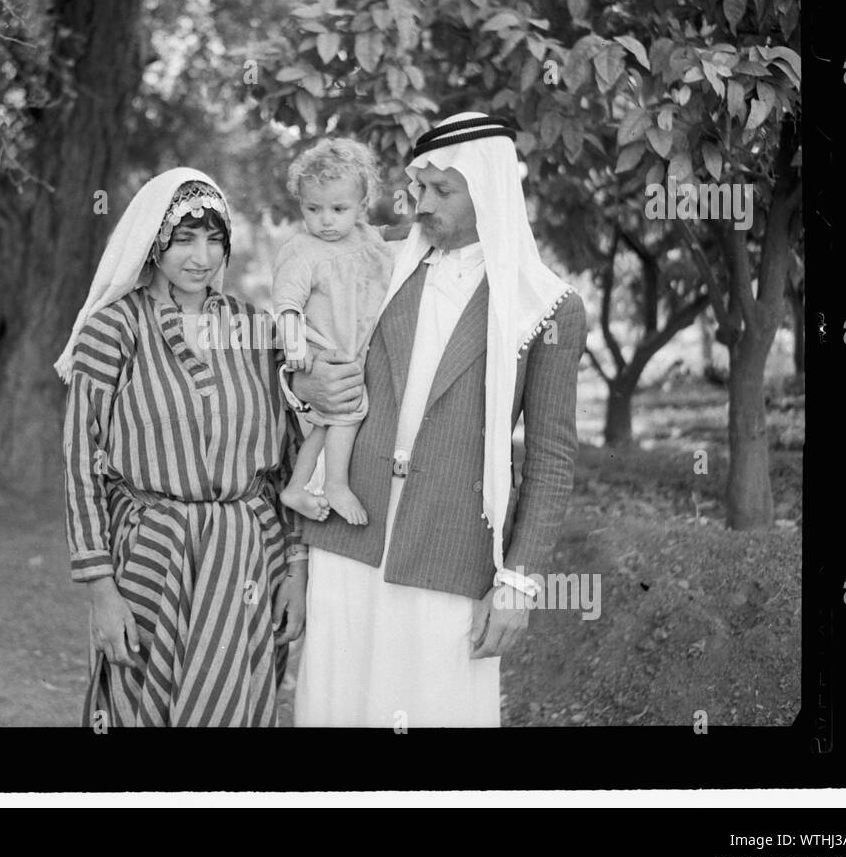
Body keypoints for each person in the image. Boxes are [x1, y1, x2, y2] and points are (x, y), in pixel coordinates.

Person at [285, 112, 587, 727]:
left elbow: (551, 459)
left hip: (451, 546)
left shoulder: (548, 305)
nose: (421, 205)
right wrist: (300, 380)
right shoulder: (377, 261)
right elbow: (307, 344)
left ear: (491, 193)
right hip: (350, 529)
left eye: (443, 191)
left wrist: (517, 583)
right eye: (419, 189)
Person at [57, 168, 307, 727]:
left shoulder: (254, 329)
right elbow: (79, 466)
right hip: (150, 559)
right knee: (141, 706)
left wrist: (296, 570)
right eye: (184, 239)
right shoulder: (113, 331)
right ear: (153, 243)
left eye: (214, 239)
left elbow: (288, 463)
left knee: (236, 709)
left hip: (248, 560)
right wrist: (101, 589)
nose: (202, 256)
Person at [272, 138, 395, 527]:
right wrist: (296, 348)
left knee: (325, 427)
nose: (326, 220)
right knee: (346, 413)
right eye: (313, 209)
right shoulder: (303, 251)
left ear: (362, 206)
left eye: (339, 209)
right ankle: (336, 485)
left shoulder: (366, 237)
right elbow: (287, 303)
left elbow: (390, 241)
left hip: (356, 344)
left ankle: (296, 487)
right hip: (326, 350)